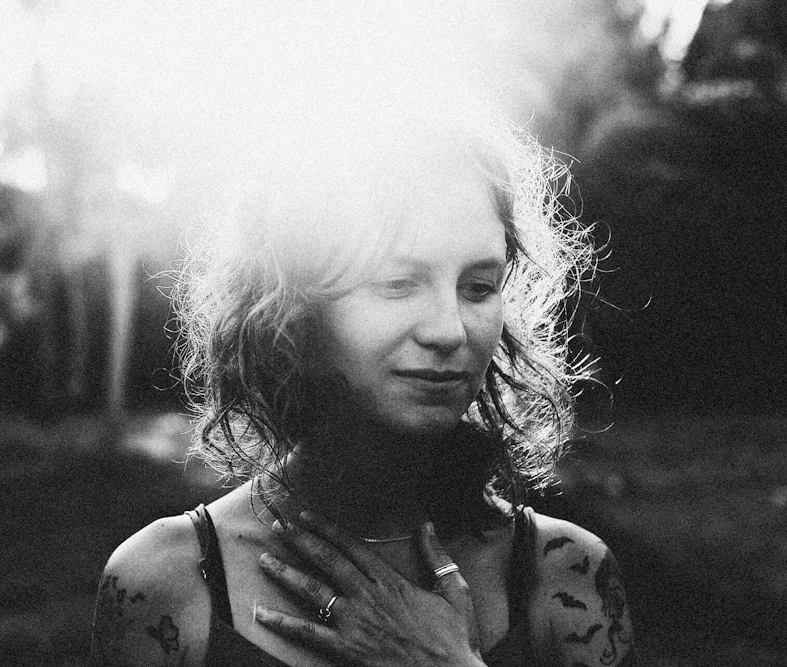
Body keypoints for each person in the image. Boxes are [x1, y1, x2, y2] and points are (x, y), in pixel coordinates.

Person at [90, 107, 636, 666]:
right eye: (398, 284)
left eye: (479, 286)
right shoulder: (170, 583)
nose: (449, 330)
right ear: (294, 307)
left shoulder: (565, 574)